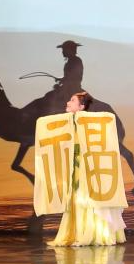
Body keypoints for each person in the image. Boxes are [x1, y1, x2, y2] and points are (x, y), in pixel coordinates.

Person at [45, 91, 127, 247]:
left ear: (81, 106)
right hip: (75, 169)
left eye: (72, 100)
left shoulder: (89, 123)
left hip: (86, 169)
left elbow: (108, 119)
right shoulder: (69, 124)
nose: (68, 103)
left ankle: (92, 233)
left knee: (87, 199)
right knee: (76, 200)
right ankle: (76, 232)